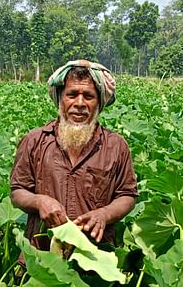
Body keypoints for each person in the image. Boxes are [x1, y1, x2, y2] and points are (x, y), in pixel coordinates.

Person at [10, 60, 138, 252]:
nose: (79, 103)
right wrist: (40, 201)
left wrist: (104, 214)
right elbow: (18, 190)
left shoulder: (116, 146)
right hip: (42, 254)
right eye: (72, 95)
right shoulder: (34, 141)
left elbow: (127, 194)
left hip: (95, 256)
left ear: (99, 103)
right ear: (61, 99)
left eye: (88, 96)